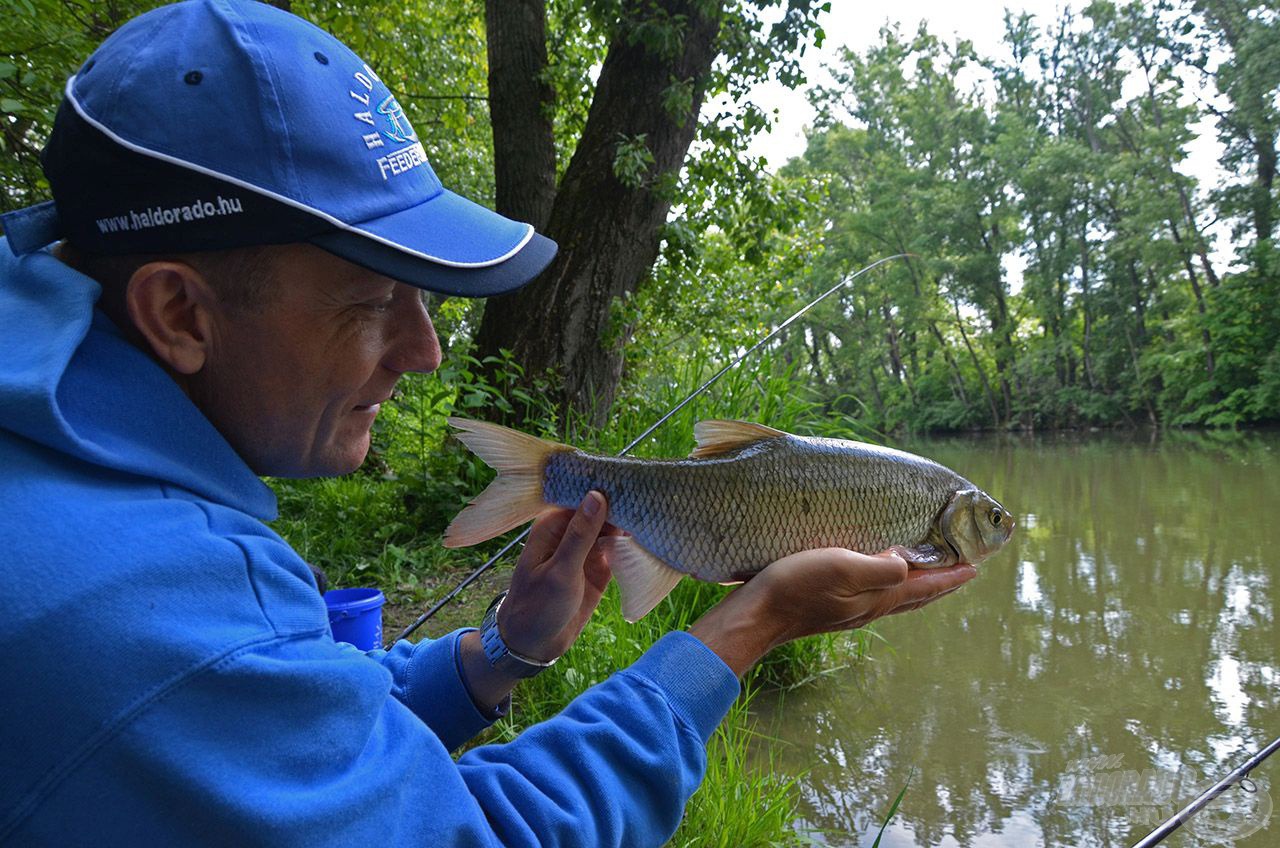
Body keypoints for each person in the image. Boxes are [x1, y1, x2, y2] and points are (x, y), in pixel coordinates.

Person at [0, 2, 976, 845]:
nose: (424, 351)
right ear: (180, 313)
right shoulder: (141, 600)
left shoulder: (65, 473)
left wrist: (500, 650)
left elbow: (290, 726)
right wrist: (749, 623)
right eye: (375, 299)